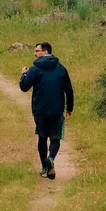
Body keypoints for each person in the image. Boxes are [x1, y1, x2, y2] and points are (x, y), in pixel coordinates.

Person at [19, 42, 74, 180]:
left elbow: (24, 87)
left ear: (45, 52)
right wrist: (69, 108)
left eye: (37, 51)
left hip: (40, 111)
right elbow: (69, 90)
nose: (35, 53)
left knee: (42, 138)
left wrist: (24, 75)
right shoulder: (61, 68)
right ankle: (51, 158)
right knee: (55, 138)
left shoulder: (35, 69)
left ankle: (45, 166)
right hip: (57, 110)